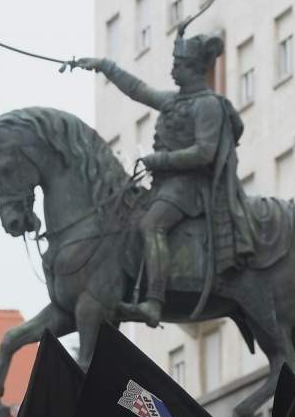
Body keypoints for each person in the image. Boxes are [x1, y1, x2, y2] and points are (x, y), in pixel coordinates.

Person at [73, 30, 260, 326]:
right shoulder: (175, 101)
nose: (172, 70)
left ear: (193, 68)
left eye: (178, 65)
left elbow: (205, 152)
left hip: (191, 188)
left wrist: (159, 159)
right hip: (166, 185)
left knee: (151, 224)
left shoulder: (207, 105)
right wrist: (103, 66)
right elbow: (138, 89)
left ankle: (154, 302)